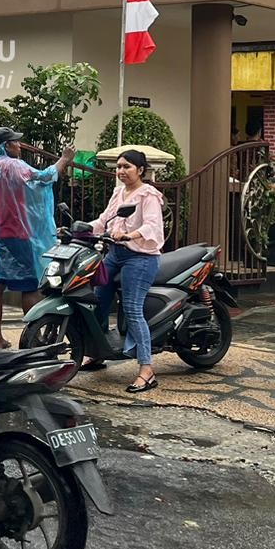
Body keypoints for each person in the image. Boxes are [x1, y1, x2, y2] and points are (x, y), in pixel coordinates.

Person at [0, 127, 74, 349]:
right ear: (7, 145)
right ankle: (33, 338)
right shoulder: (14, 166)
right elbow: (43, 178)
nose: (19, 146)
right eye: (15, 142)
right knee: (29, 286)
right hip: (16, 234)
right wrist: (64, 159)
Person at [85, 150, 166, 393]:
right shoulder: (119, 193)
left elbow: (152, 225)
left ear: (140, 170)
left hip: (140, 257)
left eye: (127, 166)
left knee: (131, 307)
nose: (121, 171)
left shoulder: (148, 195)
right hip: (115, 254)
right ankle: (98, 353)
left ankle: (147, 369)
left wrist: (130, 234)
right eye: (118, 166)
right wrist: (77, 229)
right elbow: (103, 221)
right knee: (97, 300)